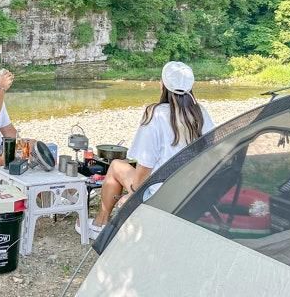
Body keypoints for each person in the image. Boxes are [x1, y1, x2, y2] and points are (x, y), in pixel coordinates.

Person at [82, 61, 216, 239]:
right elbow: (209, 153)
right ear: (191, 87)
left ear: (163, 86)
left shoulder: (156, 114)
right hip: (192, 192)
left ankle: (100, 223)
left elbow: (145, 165)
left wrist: (133, 193)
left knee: (115, 165)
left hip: (159, 194)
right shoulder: (201, 113)